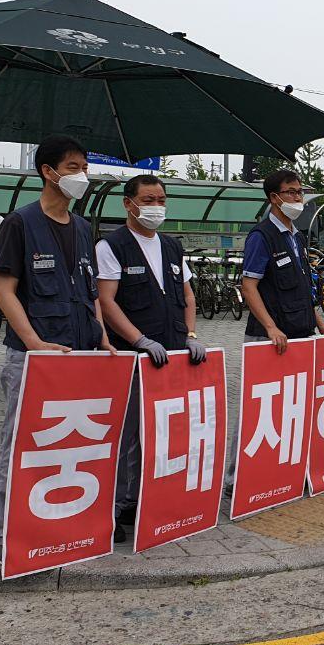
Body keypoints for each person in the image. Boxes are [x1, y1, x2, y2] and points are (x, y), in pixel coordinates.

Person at [0, 134, 117, 564]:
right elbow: (5, 291)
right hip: (34, 357)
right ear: (48, 172)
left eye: (84, 167)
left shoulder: (82, 228)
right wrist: (34, 343)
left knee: (73, 444)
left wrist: (100, 332)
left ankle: (61, 527)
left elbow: (89, 287)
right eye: (74, 167)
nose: (83, 176)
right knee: (22, 443)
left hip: (80, 354)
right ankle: (3, 536)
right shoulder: (20, 224)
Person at [96, 174, 207, 537]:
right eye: (147, 199)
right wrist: (138, 339)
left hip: (173, 354)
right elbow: (107, 302)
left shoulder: (172, 246)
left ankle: (147, 499)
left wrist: (190, 335)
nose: (156, 206)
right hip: (133, 355)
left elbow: (188, 296)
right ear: (128, 204)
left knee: (162, 430)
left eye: (161, 199)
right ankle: (115, 508)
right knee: (127, 434)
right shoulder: (112, 246)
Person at [229, 169, 324, 492]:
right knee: (257, 408)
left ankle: (289, 468)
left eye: (299, 191)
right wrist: (270, 326)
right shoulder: (261, 237)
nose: (297, 197)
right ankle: (236, 479)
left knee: (295, 406)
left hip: (301, 336)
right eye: (291, 192)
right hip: (268, 337)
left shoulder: (296, 236)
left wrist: (320, 323)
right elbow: (249, 286)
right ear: (274, 198)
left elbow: (306, 287)